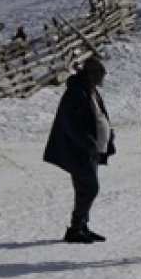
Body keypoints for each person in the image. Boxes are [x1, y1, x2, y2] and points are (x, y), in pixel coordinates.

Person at [44, 57, 115, 244]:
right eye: (100, 74)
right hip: (79, 151)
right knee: (90, 188)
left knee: (84, 189)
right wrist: (88, 142)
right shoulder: (76, 92)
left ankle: (82, 226)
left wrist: (107, 136)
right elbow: (71, 124)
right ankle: (76, 229)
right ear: (91, 74)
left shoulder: (90, 90)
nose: (103, 78)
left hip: (91, 151)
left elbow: (98, 115)